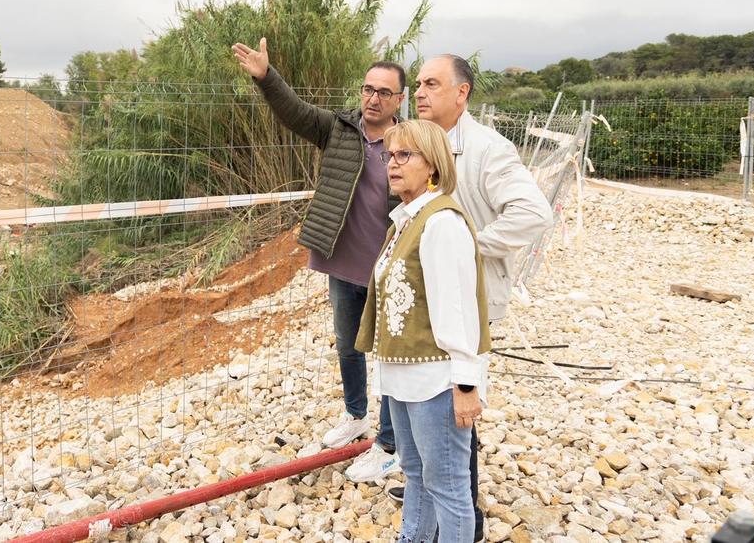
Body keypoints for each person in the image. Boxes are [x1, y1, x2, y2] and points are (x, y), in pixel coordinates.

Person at [388, 54, 552, 541]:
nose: (419, 92)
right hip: (421, 310)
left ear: (462, 93)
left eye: (432, 84)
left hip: (465, 302)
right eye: (417, 83)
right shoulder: (417, 145)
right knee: (435, 419)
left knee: (457, 408)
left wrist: (466, 245)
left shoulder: (488, 149)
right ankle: (432, 496)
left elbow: (533, 212)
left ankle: (464, 519)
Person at [231, 38, 404, 482]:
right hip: (342, 262)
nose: (373, 98)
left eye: (384, 92)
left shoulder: (408, 143)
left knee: (391, 358)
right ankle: (356, 417)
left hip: (389, 268)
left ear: (400, 100)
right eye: (368, 88)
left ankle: (391, 441)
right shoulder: (339, 129)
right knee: (349, 347)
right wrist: (267, 77)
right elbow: (294, 112)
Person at [355, 119, 491, 542]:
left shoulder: (441, 223)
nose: (392, 164)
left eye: (404, 155)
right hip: (402, 376)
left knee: (449, 488)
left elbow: (456, 307)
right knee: (415, 473)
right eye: (389, 155)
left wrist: (467, 383)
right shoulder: (404, 221)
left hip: (435, 379)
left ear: (432, 164)